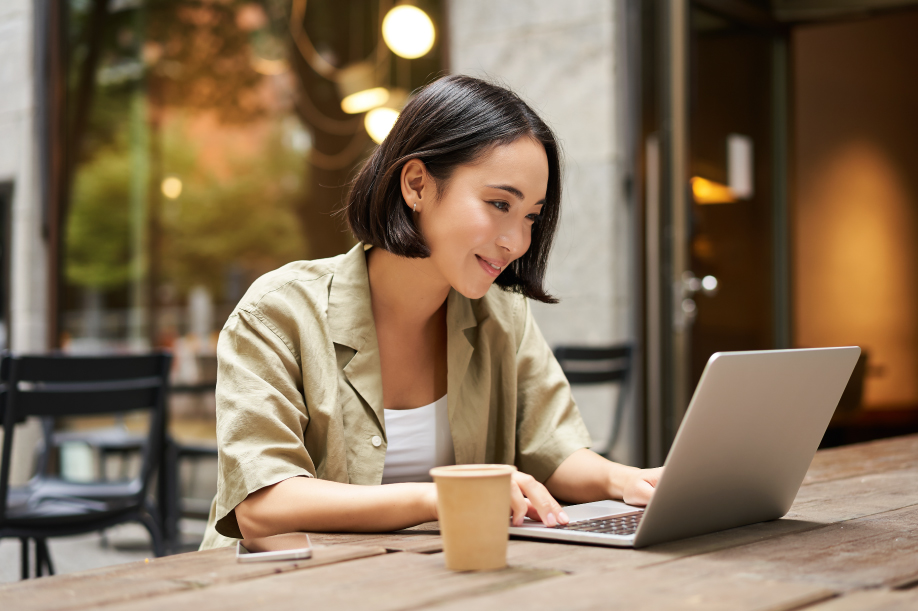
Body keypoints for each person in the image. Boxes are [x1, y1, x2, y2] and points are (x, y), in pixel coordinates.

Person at [199, 75, 662, 550]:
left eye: (530, 216)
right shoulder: (277, 312)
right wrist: (443, 497)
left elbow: (555, 451)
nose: (516, 241)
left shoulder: (502, 316)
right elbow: (263, 507)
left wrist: (628, 481)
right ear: (417, 184)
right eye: (499, 203)